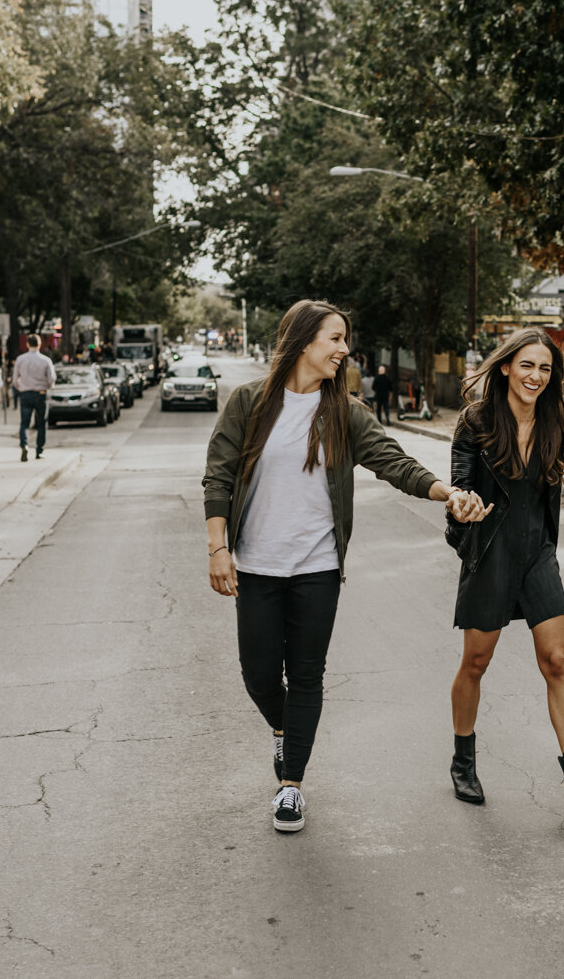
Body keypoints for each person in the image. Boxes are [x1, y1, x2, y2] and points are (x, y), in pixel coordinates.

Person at [203, 299, 485, 834]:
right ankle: (286, 730)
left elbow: (393, 462)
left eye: (344, 339)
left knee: (307, 675)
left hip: (317, 566)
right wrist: (218, 548)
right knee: (259, 674)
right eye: (334, 338)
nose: (343, 348)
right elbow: (217, 477)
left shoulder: (344, 411)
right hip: (257, 565)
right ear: (304, 339)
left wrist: (448, 493)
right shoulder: (248, 403)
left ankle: (291, 786)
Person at [444, 327, 564, 823]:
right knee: (476, 663)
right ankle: (463, 760)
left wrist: (548, 550)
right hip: (491, 551)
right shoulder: (476, 422)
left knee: (556, 661)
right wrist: (462, 506)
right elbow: (461, 486)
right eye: (527, 365)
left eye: (545, 368)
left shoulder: (553, 420)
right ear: (507, 366)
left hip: (538, 554)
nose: (536, 376)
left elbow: (548, 497)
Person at [12, 334, 56, 462]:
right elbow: (51, 379)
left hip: (25, 393)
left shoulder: (20, 359)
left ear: (27, 344)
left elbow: (15, 380)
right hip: (40, 393)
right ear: (39, 345)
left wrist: (21, 387)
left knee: (24, 423)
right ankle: (39, 450)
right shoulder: (46, 360)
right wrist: (47, 386)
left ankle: (24, 445)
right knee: (41, 423)